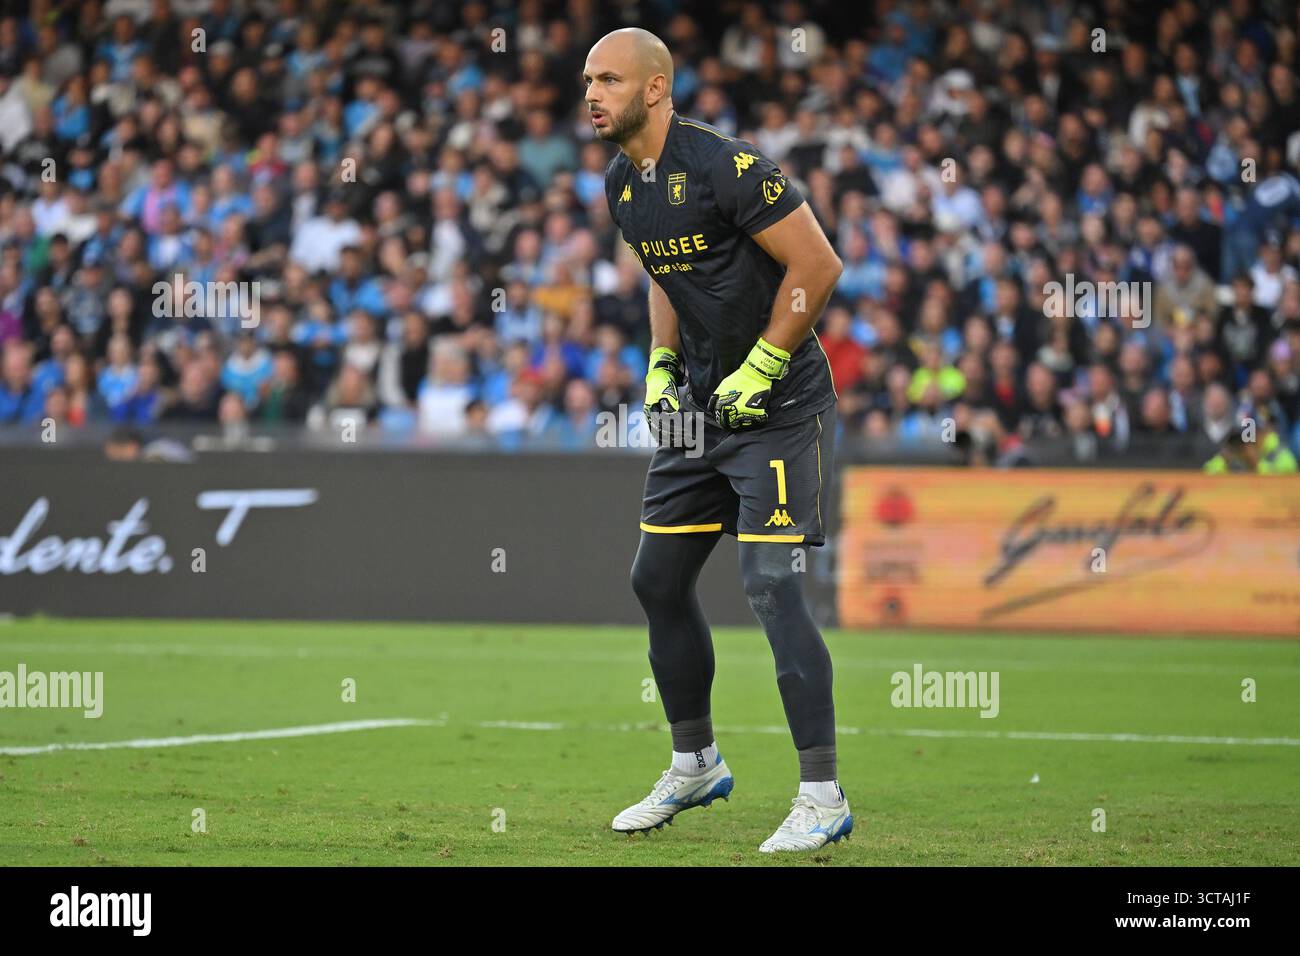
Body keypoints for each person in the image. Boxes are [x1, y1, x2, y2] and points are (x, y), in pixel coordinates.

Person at [586, 28, 849, 853]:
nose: (591, 94)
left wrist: (766, 362)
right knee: (656, 579)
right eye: (587, 80)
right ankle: (694, 763)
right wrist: (662, 366)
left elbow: (819, 263)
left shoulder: (723, 165)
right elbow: (668, 278)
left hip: (779, 407)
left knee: (769, 580)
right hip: (699, 410)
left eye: (609, 80)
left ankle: (821, 794)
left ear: (656, 89)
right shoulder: (621, 183)